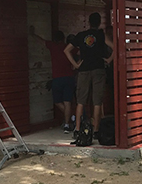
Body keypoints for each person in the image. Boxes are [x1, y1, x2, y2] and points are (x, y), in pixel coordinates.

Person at [64, 12, 113, 142]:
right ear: (99, 23)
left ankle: (78, 129)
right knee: (97, 102)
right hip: (98, 68)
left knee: (80, 101)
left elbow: (66, 50)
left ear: (89, 22)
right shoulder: (101, 35)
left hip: (84, 70)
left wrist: (76, 64)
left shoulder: (81, 35)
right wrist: (109, 59)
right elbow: (115, 47)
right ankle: (96, 130)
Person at [29, 26, 76, 132]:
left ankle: (72, 118)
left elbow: (41, 41)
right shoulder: (69, 47)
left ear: (54, 39)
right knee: (67, 101)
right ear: (63, 38)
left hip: (57, 78)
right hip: (69, 77)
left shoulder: (52, 46)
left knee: (58, 102)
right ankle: (68, 123)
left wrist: (32, 34)